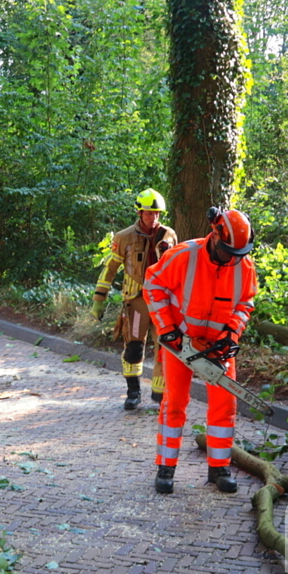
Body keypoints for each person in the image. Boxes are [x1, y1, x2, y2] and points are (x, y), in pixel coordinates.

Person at [142, 207, 257, 494]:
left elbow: (245, 304)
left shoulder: (244, 266)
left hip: (218, 346)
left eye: (238, 253)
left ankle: (219, 468)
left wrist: (231, 335)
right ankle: (165, 467)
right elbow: (152, 284)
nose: (233, 258)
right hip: (181, 342)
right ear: (216, 236)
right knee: (175, 402)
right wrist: (168, 329)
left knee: (225, 404)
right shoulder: (184, 256)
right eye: (229, 251)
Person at [91, 189, 177, 410]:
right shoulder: (124, 237)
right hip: (137, 302)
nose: (153, 218)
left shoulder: (169, 235)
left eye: (157, 213)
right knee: (134, 347)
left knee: (165, 347)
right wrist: (99, 298)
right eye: (149, 213)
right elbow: (110, 269)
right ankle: (133, 392)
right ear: (139, 212)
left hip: (163, 303)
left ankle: (159, 394)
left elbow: (178, 269)